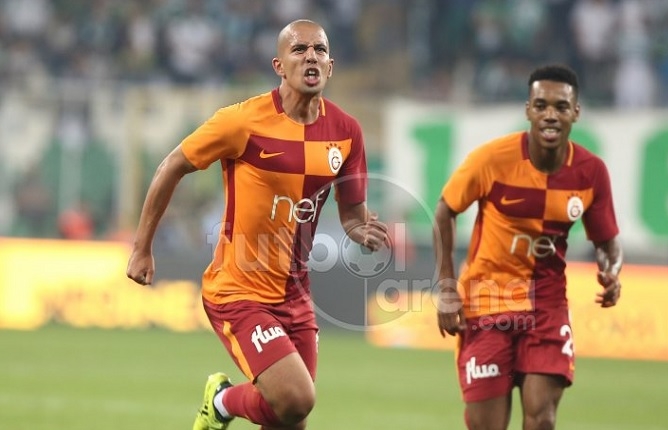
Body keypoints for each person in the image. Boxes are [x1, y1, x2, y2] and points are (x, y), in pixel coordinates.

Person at [126, 19, 388, 430]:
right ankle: (222, 402)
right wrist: (142, 247)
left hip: (296, 295)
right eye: (299, 49)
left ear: (331, 66)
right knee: (297, 398)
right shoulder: (242, 121)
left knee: (289, 418)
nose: (311, 57)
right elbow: (171, 166)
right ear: (279, 66)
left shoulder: (347, 132)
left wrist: (360, 230)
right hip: (239, 291)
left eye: (319, 50)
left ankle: (225, 404)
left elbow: (352, 213)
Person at [432, 64, 623, 430]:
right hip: (487, 302)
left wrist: (612, 271)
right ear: (528, 111)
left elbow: (607, 241)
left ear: (576, 113)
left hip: (546, 307)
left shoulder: (591, 172)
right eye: (541, 105)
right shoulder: (492, 159)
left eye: (561, 107)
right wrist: (446, 288)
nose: (550, 115)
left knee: (542, 420)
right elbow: (445, 210)